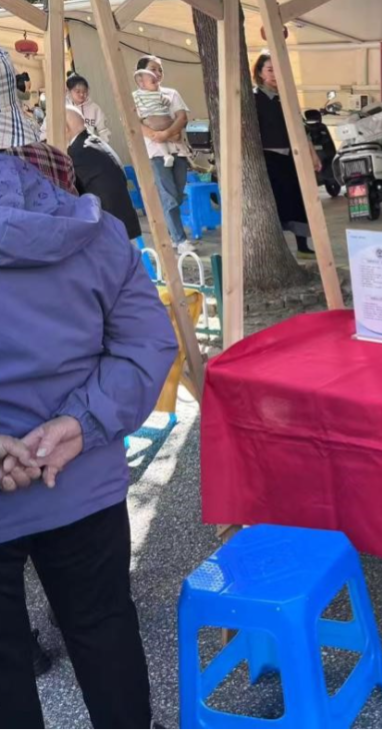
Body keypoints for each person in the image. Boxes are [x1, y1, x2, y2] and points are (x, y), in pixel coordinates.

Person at [0, 143, 177, 729]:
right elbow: (147, 345)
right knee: (104, 627)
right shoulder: (97, 234)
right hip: (81, 477)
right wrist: (80, 424)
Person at [252, 52, 321, 258]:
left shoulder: (287, 97)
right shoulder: (254, 98)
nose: (275, 75)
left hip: (292, 156)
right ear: (260, 73)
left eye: (278, 70)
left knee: (298, 200)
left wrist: (312, 154)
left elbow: (302, 129)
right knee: (275, 204)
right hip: (268, 158)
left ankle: (302, 246)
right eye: (270, 70)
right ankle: (277, 250)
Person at [134, 55, 195, 255]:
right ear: (141, 75)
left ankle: (171, 233)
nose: (158, 73)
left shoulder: (170, 93)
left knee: (177, 193)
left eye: (160, 69)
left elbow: (181, 117)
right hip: (155, 152)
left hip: (177, 148)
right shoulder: (135, 97)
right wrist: (155, 136)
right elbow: (134, 122)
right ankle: (180, 239)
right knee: (168, 195)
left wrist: (166, 134)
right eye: (153, 69)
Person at [66, 107, 141, 240]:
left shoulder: (76, 153)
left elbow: (69, 194)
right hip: (126, 220)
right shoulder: (96, 142)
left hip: (108, 230)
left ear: (65, 129)